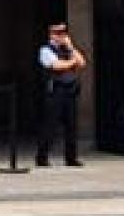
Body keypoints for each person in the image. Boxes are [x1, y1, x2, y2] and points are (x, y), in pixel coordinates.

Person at [36, 23, 86, 167]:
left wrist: (71, 48)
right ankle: (42, 157)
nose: (61, 36)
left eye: (63, 34)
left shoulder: (68, 49)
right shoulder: (45, 50)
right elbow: (56, 65)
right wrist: (72, 62)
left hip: (70, 91)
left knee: (71, 125)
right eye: (58, 34)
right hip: (55, 91)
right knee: (50, 125)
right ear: (51, 35)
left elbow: (82, 62)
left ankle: (71, 158)